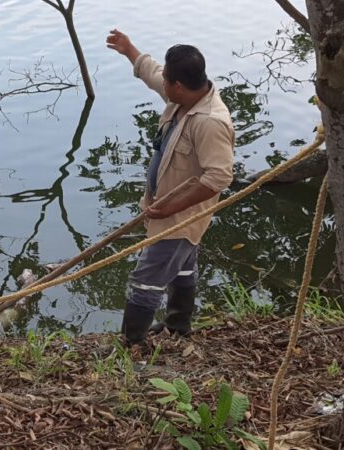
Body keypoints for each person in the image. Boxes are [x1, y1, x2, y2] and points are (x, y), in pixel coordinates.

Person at [105, 30, 234, 345]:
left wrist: (170, 209)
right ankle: (178, 325)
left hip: (179, 218)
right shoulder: (184, 99)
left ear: (178, 85)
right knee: (182, 268)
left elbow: (219, 177)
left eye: (166, 81)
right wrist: (129, 49)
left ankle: (130, 344)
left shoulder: (210, 122)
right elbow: (153, 74)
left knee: (146, 280)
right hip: (166, 210)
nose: (161, 82)